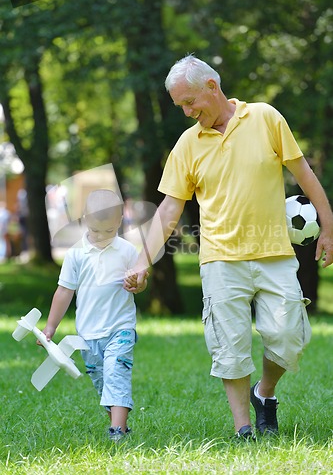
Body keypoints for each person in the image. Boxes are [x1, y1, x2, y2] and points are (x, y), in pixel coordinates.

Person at [124, 55, 333, 440]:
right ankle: (244, 430)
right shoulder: (187, 144)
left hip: (274, 253)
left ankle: (264, 393)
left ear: (212, 87)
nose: (187, 112)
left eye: (190, 102)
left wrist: (328, 226)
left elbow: (303, 172)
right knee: (230, 349)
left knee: (289, 337)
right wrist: (143, 261)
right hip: (220, 260)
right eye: (180, 106)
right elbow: (170, 208)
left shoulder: (266, 118)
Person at [40, 189, 147, 441]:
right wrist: (50, 327)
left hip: (120, 328)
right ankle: (118, 424)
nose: (102, 237)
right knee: (101, 381)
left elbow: (141, 282)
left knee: (116, 372)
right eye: (96, 231)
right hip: (88, 334)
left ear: (120, 221)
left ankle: (117, 430)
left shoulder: (128, 251)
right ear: (86, 220)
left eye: (109, 231)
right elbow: (65, 291)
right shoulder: (76, 254)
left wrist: (138, 283)